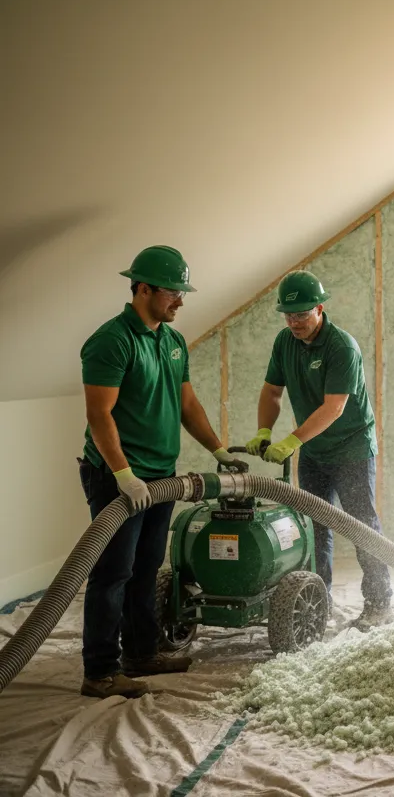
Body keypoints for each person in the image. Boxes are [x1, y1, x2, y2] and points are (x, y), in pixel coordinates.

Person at [79, 246, 247, 699]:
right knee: (113, 572)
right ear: (144, 289)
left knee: (147, 567)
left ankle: (141, 653)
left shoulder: (171, 342)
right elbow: (100, 415)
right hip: (120, 477)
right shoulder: (111, 341)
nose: (180, 301)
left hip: (162, 475)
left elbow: (187, 404)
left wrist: (217, 449)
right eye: (173, 292)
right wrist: (122, 474)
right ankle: (99, 671)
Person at [244, 270, 392, 630]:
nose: (294, 322)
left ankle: (379, 603)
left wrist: (292, 440)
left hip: (352, 448)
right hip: (314, 451)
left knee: (362, 527)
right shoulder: (285, 342)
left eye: (302, 315)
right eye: (289, 315)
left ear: (320, 309)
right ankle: (317, 603)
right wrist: (264, 429)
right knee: (313, 527)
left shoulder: (342, 347)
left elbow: (334, 407)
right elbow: (272, 392)